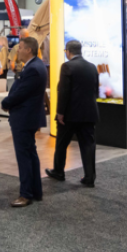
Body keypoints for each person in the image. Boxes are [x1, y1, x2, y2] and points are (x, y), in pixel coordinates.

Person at [46, 40, 100, 188]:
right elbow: (96, 90)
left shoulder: (67, 66)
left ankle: (58, 171)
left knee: (62, 144)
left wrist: (60, 113)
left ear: (68, 51)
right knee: (88, 146)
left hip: (70, 115)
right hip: (89, 113)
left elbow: (64, 92)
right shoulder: (92, 67)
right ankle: (89, 177)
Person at [1, 37, 47, 208]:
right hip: (28, 116)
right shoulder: (35, 65)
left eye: (20, 47)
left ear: (28, 50)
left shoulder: (33, 68)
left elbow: (22, 92)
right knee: (30, 154)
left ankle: (26, 194)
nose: (17, 50)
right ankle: (35, 191)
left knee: (24, 157)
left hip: (25, 117)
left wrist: (6, 103)